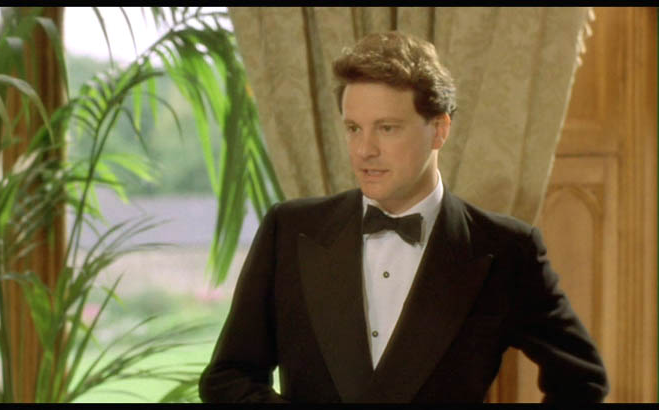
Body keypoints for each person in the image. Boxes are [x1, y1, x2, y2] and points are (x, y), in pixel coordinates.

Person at [198, 31, 608, 403]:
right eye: (353, 128)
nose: (365, 150)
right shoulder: (290, 229)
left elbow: (582, 380)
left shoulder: (506, 249)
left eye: (387, 128)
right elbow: (227, 377)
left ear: (439, 130)